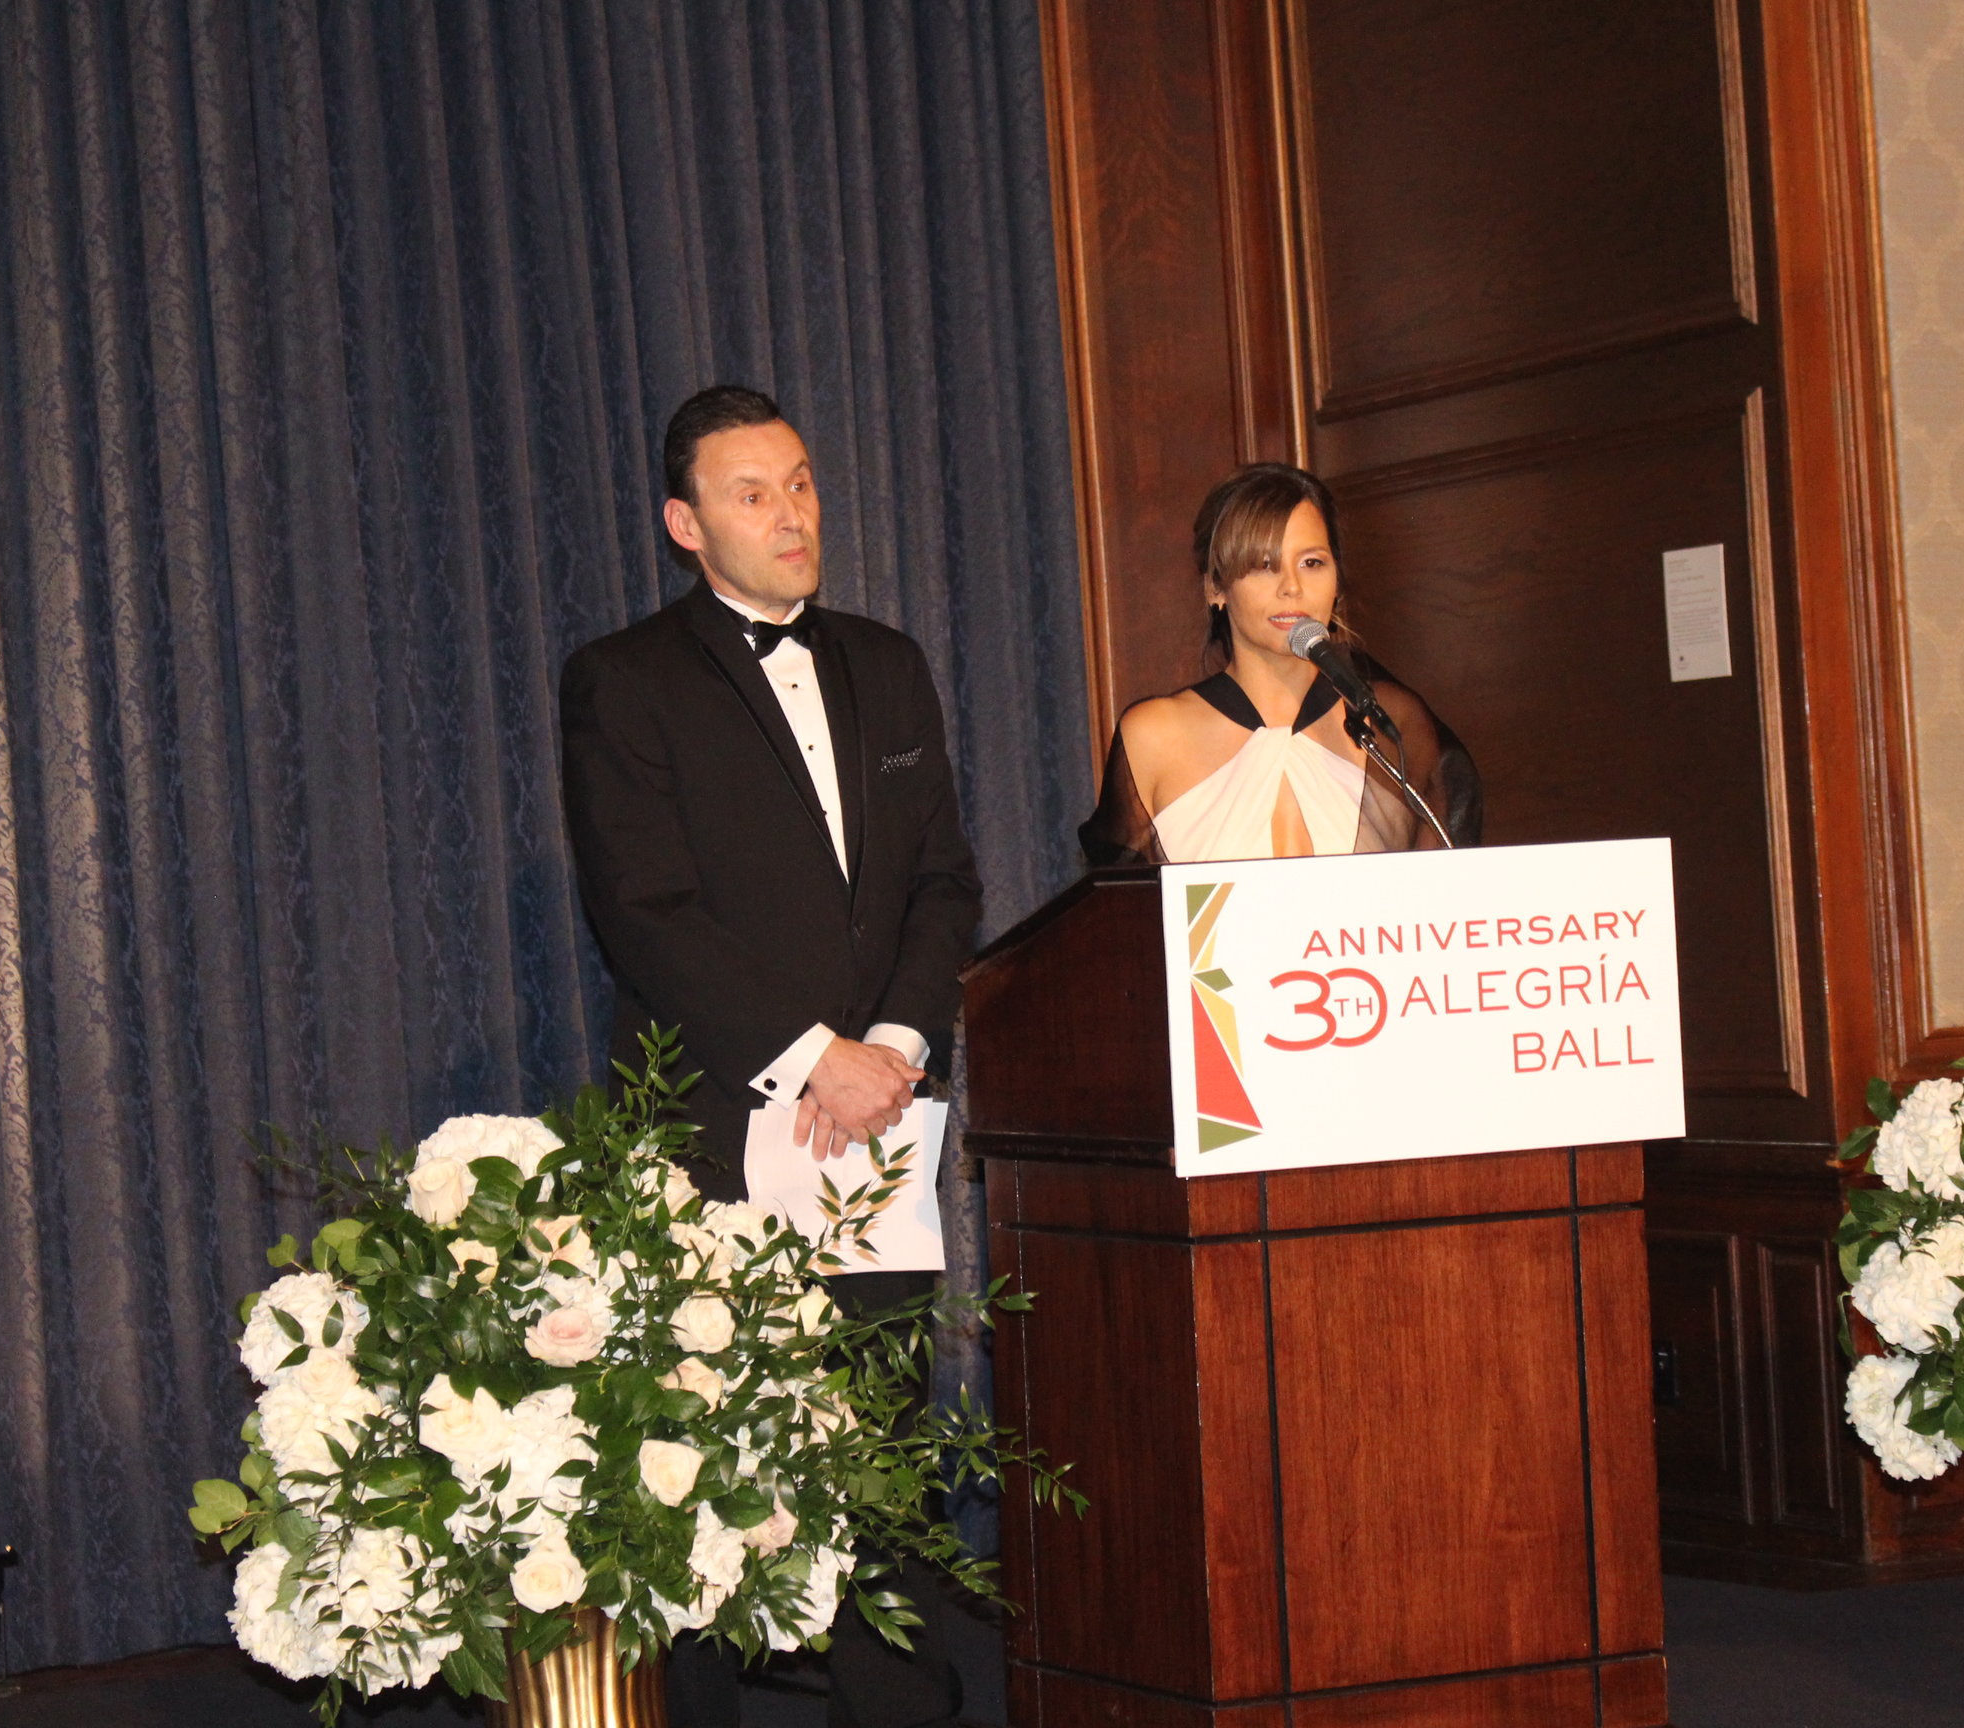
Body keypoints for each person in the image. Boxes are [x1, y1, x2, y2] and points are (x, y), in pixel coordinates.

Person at [559, 384, 979, 1728]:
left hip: (880, 1126)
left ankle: (901, 1705)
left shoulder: (888, 660)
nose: (791, 512)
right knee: (710, 1468)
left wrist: (897, 1048)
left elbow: (945, 883)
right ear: (685, 523)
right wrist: (816, 1057)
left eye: (799, 482)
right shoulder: (623, 680)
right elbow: (644, 913)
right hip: (722, 1136)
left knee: (879, 1451)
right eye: (753, 492)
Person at [1079, 462, 1480, 865]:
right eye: (1264, 565)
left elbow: (1447, 896)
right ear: (1216, 587)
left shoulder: (1390, 723)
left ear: (1337, 580)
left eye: (1312, 563)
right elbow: (1112, 915)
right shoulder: (1155, 735)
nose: (1292, 586)